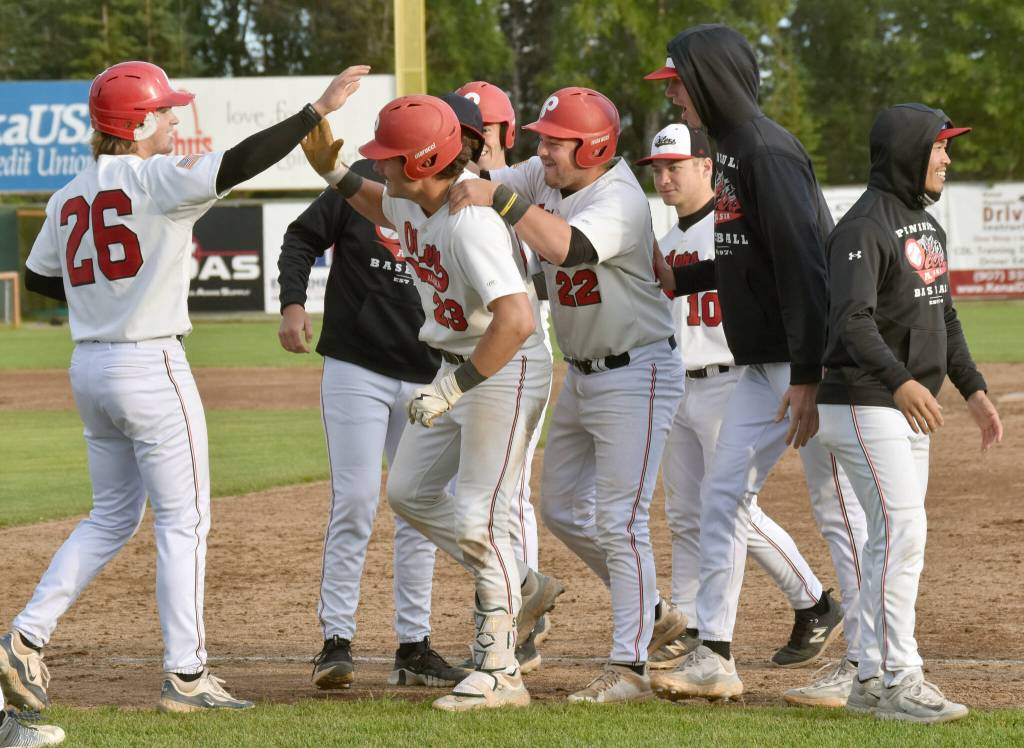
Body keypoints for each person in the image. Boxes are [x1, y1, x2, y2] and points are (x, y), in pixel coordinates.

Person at [2, 59, 370, 713]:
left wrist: (104, 296)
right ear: (138, 122)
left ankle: (24, 638)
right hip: (150, 366)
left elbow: (35, 279)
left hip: (90, 368)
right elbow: (239, 162)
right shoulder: (159, 177)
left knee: (111, 516)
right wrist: (317, 110)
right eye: (166, 109)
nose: (175, 117)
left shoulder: (66, 196)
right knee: (184, 520)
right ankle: (188, 675)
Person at [301, 93, 558, 711]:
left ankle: (500, 670)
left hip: (502, 369)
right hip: (457, 365)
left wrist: (455, 387)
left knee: (480, 517)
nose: (377, 166)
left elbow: (518, 318)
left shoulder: (470, 220)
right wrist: (335, 175)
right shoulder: (414, 195)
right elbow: (377, 203)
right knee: (409, 493)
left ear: (422, 162)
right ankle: (517, 579)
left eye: (388, 157)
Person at [646, 25, 871, 704]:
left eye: (680, 81)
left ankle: (868, 662)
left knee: (836, 512)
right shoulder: (734, 151)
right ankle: (713, 654)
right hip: (762, 366)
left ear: (710, 78)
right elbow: (751, 261)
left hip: (811, 363)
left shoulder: (768, 152)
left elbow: (807, 266)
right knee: (722, 497)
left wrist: (808, 376)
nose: (675, 95)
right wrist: (682, 282)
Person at [448, 86, 687, 704]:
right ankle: (653, 611)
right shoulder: (547, 173)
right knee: (558, 506)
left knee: (622, 522)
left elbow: (567, 248)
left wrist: (498, 196)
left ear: (596, 147)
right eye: (542, 138)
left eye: (556, 141)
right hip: (583, 370)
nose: (543, 149)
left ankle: (630, 667)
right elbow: (495, 175)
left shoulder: (622, 199)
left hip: (638, 371)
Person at [818, 104, 1002, 723]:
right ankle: (901, 678)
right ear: (906, 150)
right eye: (938, 146)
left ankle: (870, 676)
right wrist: (899, 382)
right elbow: (851, 320)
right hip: (864, 402)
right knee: (904, 532)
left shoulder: (925, 228)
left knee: (888, 540)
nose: (947, 157)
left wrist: (972, 388)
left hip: (899, 408)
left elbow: (941, 316)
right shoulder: (862, 228)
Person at [639, 124, 843, 674]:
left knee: (730, 508)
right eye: (657, 169)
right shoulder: (667, 238)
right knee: (685, 511)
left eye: (675, 166)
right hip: (683, 382)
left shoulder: (729, 229)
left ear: (707, 167)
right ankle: (691, 623)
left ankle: (814, 600)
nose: (664, 178)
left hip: (733, 380)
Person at [455, 80, 554, 671]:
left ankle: (522, 625)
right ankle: (514, 602)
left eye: (486, 130)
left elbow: (551, 270)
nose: (478, 140)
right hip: (478, 347)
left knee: (509, 496)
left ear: (505, 135)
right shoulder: (465, 189)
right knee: (482, 498)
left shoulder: (521, 183)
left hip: (521, 346)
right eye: (470, 130)